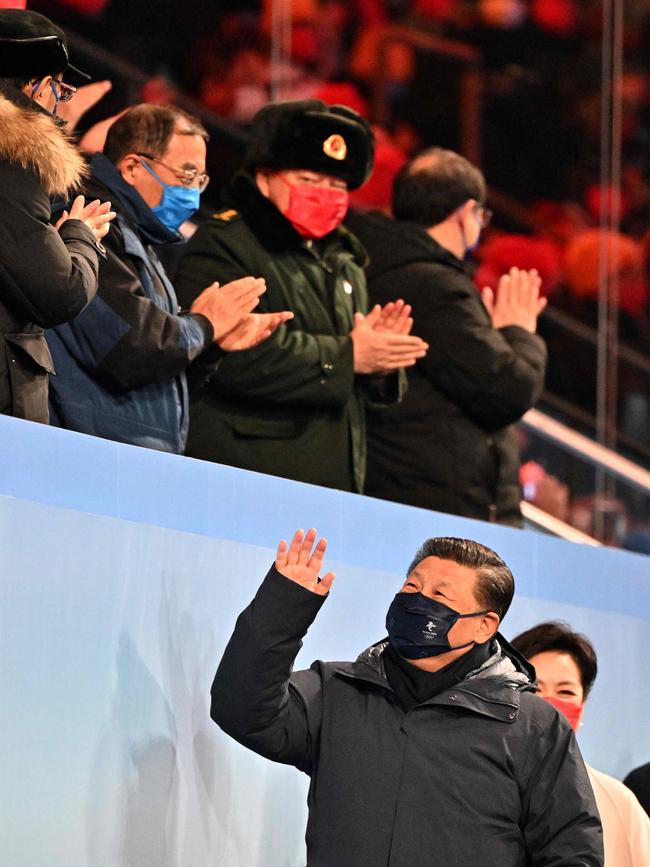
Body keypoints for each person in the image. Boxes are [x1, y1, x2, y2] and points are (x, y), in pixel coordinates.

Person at [212, 528, 603, 865]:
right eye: (412, 585)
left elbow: (570, 848)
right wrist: (282, 606)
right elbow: (242, 710)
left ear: (485, 626)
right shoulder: (337, 690)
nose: (419, 600)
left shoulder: (530, 723)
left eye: (440, 594)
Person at [174, 99, 429, 492]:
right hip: (249, 479)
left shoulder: (346, 258)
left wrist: (380, 362)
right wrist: (348, 356)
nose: (325, 194)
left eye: (337, 185)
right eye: (309, 180)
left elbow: (353, 369)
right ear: (264, 178)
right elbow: (231, 352)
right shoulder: (226, 243)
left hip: (330, 489)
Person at [46, 104, 292, 453]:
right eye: (186, 175)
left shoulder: (141, 238)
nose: (193, 192)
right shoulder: (92, 219)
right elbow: (128, 348)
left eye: (201, 180)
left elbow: (158, 377)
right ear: (132, 167)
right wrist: (204, 325)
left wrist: (211, 345)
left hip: (130, 458)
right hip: (89, 455)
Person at [347, 148, 548, 524]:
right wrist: (518, 331)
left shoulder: (375, 266)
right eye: (482, 216)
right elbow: (506, 390)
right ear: (465, 213)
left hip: (406, 494)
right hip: (440, 508)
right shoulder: (437, 287)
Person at [0, 8, 114, 422]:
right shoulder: (13, 156)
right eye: (60, 92)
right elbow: (58, 292)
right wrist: (81, 236)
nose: (59, 109)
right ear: (38, 86)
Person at [511, 621, 650, 866]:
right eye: (533, 689)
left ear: (582, 706)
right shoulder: (476, 784)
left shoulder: (619, 801)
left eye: (565, 692)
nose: (547, 706)